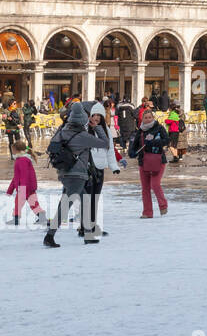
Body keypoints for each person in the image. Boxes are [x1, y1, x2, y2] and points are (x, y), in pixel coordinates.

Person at [43, 101, 105, 247]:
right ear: (83, 119)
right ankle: (49, 236)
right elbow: (104, 143)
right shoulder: (83, 136)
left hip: (64, 172)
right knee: (65, 206)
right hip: (77, 174)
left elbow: (51, 146)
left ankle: (88, 234)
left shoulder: (62, 131)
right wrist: (97, 127)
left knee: (85, 201)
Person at [83, 101, 122, 239]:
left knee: (95, 198)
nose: (97, 118)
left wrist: (114, 166)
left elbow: (110, 149)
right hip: (87, 168)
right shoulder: (85, 128)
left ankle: (91, 226)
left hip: (100, 168)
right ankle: (86, 227)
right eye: (94, 115)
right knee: (87, 198)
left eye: (99, 115)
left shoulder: (105, 129)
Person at [127, 106, 171, 219]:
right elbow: (134, 145)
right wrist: (132, 152)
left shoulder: (159, 128)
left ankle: (163, 205)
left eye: (149, 117)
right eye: (145, 118)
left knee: (155, 184)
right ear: (142, 119)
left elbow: (167, 140)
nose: (147, 119)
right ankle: (147, 212)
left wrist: (155, 142)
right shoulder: (140, 131)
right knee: (145, 188)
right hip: (143, 161)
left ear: (153, 118)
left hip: (158, 160)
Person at [7, 149, 44, 226]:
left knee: (19, 203)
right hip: (27, 186)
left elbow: (24, 176)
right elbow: (16, 177)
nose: (12, 151)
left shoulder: (22, 160)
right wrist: (10, 190)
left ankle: (16, 219)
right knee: (32, 203)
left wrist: (23, 189)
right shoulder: (23, 160)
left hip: (24, 187)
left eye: (13, 149)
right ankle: (42, 218)